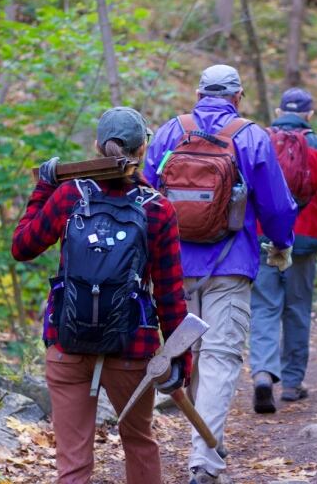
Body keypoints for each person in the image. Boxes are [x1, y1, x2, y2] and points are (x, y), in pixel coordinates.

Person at [11, 107, 192, 484]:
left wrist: (44, 186)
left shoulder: (67, 196)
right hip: (131, 347)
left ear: (96, 146)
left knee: (73, 461)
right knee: (139, 442)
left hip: (67, 341)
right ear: (143, 150)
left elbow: (22, 247)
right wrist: (179, 360)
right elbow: (171, 293)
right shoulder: (157, 208)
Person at [143, 64, 297, 484]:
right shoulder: (250, 136)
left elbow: (144, 196)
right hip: (231, 265)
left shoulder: (170, 132)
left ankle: (206, 441)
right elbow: (278, 207)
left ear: (198, 93)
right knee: (221, 359)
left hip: (172, 269)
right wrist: (282, 245)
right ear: (238, 97)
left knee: (189, 357)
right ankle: (205, 461)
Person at [249, 88, 317, 413]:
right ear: (309, 114)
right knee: (296, 309)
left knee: (265, 307)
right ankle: (293, 383)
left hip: (264, 235)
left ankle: (262, 375)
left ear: (279, 109)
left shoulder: (260, 140)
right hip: (304, 239)